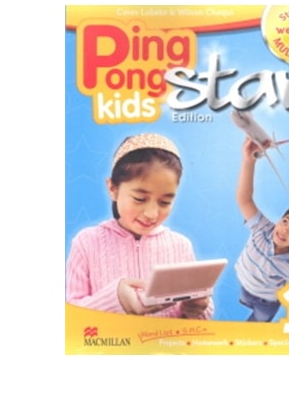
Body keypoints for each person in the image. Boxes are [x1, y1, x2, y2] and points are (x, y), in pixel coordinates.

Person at [66, 133, 213, 319]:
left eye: (165, 202)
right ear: (112, 189)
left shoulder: (181, 246)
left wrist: (198, 309)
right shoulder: (86, 243)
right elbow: (72, 317)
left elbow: (199, 320)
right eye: (139, 199)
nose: (152, 214)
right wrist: (117, 300)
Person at [235, 136, 289, 322]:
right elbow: (244, 199)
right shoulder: (262, 227)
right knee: (245, 299)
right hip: (245, 285)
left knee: (255, 325)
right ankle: (246, 300)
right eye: (285, 221)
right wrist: (248, 161)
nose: (285, 231)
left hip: (266, 302)